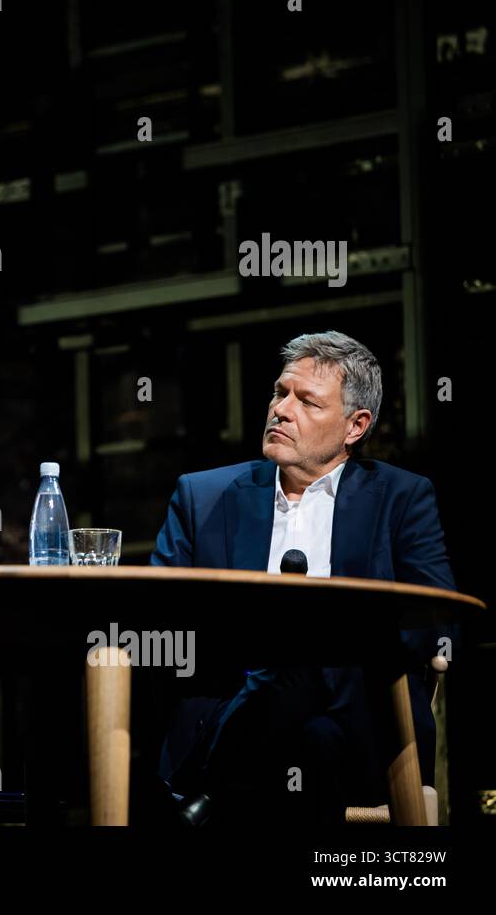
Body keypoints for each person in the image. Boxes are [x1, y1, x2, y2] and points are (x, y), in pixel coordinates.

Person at [150, 330, 454, 824]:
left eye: (307, 401)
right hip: (231, 702)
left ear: (355, 426)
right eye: (279, 392)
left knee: (312, 695)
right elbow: (161, 616)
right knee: (308, 727)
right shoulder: (201, 496)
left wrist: (340, 644)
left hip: (357, 713)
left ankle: (217, 792)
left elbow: (437, 620)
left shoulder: (402, 497)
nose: (281, 410)